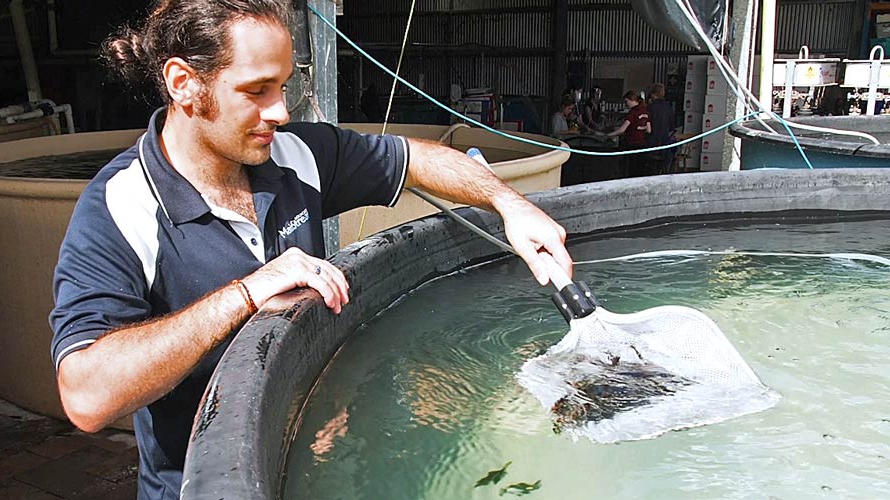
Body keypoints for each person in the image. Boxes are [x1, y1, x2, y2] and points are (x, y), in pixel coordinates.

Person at [48, 1, 573, 499]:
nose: (279, 111)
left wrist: (510, 206)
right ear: (185, 84)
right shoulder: (121, 205)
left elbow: (414, 159)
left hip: (312, 462)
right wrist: (243, 296)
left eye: (283, 86)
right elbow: (87, 396)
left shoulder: (296, 154)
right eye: (256, 91)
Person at [602, 90, 650, 177]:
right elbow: (649, 130)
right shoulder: (645, 112)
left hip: (631, 144)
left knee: (630, 169)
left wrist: (608, 135)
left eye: (626, 101)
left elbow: (622, 130)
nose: (626, 104)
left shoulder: (632, 113)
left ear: (631, 100)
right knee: (640, 170)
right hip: (642, 144)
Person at [646, 83, 677, 174]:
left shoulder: (650, 108)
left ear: (653, 94)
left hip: (652, 143)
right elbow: (672, 127)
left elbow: (648, 126)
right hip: (665, 144)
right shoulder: (668, 107)